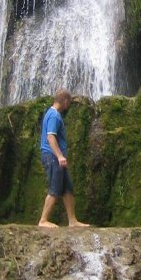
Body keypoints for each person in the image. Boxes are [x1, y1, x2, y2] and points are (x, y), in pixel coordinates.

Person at [38, 89, 89, 228]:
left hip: (56, 157)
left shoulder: (51, 113)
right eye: (69, 103)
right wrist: (60, 156)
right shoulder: (54, 116)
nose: (69, 106)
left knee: (67, 188)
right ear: (65, 101)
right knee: (55, 189)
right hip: (53, 156)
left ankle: (72, 221)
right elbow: (50, 137)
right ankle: (43, 220)